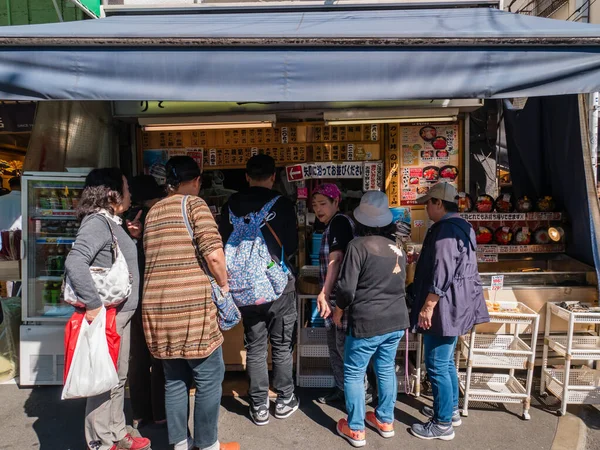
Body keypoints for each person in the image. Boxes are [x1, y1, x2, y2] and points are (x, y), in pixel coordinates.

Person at [143, 156, 239, 450]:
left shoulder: (153, 212)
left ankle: (180, 443)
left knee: (174, 378)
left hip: (156, 307)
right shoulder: (195, 206)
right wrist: (224, 285)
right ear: (196, 181)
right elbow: (213, 255)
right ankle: (208, 444)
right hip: (191, 307)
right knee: (210, 376)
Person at [64, 168, 150, 450]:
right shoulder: (97, 223)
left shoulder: (110, 222)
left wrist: (132, 238)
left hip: (118, 315)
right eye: (126, 188)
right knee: (103, 379)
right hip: (107, 316)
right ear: (112, 194)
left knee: (116, 377)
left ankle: (116, 432)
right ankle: (100, 440)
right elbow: (75, 262)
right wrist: (93, 305)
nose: (129, 194)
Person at [219, 154, 299, 426]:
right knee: (281, 344)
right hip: (277, 287)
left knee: (254, 347)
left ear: (246, 177)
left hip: (245, 290)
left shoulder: (230, 205)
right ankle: (285, 399)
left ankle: (259, 406)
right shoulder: (284, 205)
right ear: (273, 177)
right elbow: (293, 245)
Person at [410, 182, 489, 441]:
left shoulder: (445, 231)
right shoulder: (463, 226)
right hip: (458, 304)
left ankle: (442, 423)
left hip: (444, 306)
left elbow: (442, 271)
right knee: (446, 363)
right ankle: (451, 410)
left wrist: (428, 306)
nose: (425, 208)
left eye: (428, 203)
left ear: (439, 204)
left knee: (437, 364)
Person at [333, 191, 409, 447]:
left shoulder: (357, 246)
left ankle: (355, 428)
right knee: (386, 367)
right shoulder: (398, 247)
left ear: (361, 221)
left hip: (368, 321)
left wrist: (339, 310)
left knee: (354, 372)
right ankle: (385, 420)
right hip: (397, 319)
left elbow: (346, 289)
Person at [312, 183, 361, 405]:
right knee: (334, 345)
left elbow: (337, 258)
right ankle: (342, 389)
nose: (318, 209)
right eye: (314, 205)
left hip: (341, 299)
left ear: (336, 202)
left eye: (323, 204)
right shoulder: (332, 224)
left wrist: (325, 292)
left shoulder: (340, 222)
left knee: (343, 347)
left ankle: (359, 395)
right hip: (333, 298)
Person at [125, 175, 167, 430]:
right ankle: (161, 412)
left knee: (137, 358)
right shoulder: (158, 215)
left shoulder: (123, 218)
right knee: (160, 357)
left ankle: (139, 412)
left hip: (132, 297)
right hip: (155, 294)